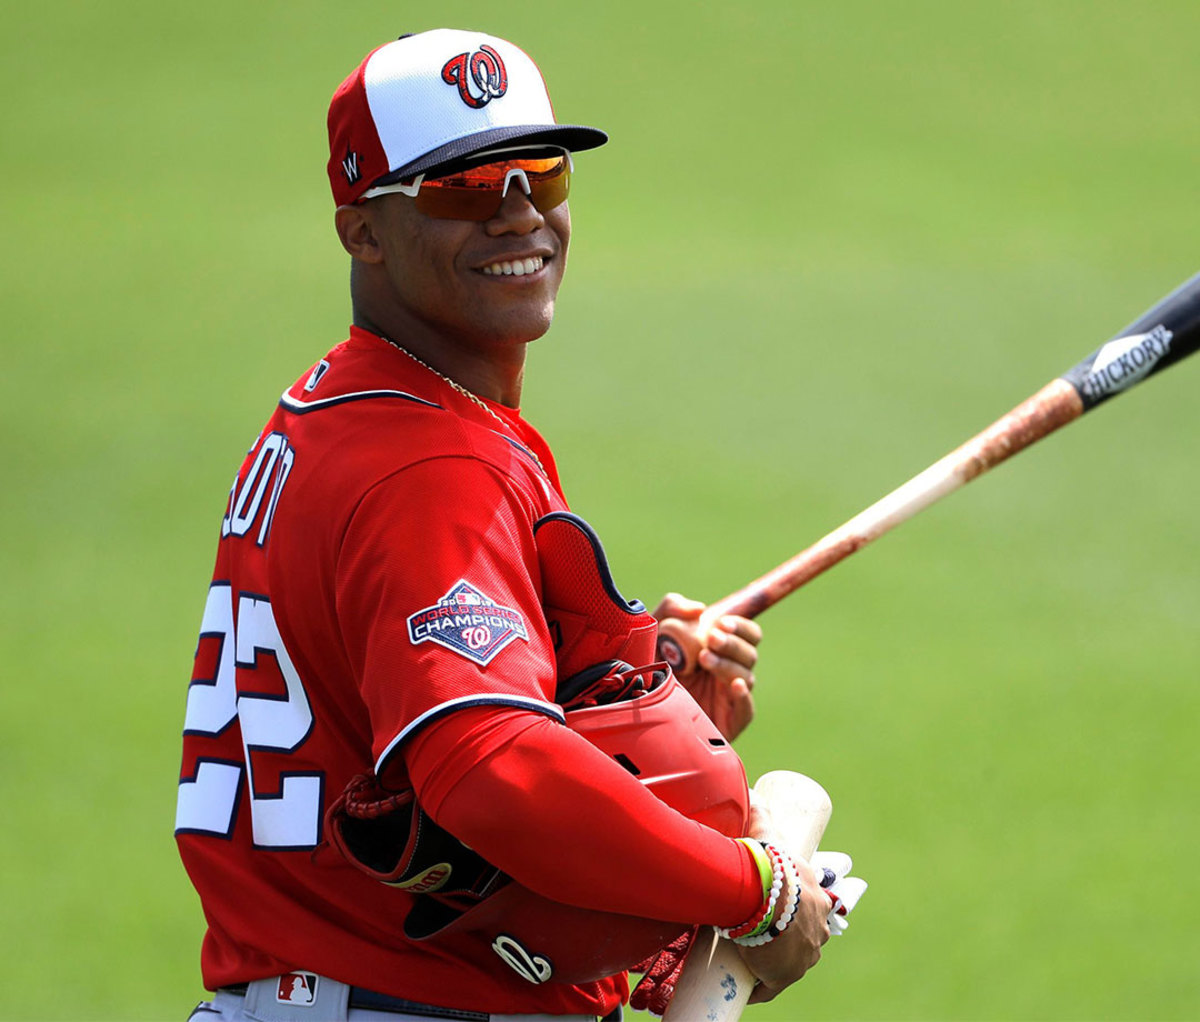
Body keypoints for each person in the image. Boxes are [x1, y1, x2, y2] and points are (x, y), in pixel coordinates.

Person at [176, 28, 851, 1022]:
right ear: (362, 228)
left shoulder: (333, 410)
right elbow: (486, 762)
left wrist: (637, 690)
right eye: (462, 190)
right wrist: (757, 888)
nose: (520, 215)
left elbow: (373, 701)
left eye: (542, 175)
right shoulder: (432, 462)